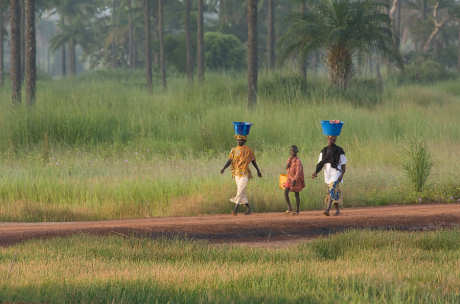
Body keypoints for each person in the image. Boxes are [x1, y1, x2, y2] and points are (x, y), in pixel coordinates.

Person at [221, 135, 262, 215]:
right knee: (241, 191)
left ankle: (235, 209)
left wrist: (258, 170)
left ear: (244, 141)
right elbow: (230, 160)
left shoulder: (248, 150)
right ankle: (249, 209)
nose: (239, 141)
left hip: (245, 173)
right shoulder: (233, 150)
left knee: (240, 191)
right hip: (236, 173)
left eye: (241, 140)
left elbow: (253, 161)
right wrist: (224, 168)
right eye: (238, 140)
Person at [312, 135, 347, 216]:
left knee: (332, 189)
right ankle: (337, 210)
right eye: (330, 138)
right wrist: (316, 172)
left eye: (334, 138)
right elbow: (320, 164)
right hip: (327, 174)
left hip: (336, 173)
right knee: (332, 192)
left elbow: (343, 165)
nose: (332, 140)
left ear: (335, 139)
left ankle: (327, 210)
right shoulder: (323, 151)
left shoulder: (339, 150)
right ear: (327, 139)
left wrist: (342, 174)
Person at [284, 145, 305, 215]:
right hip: (289, 178)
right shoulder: (289, 159)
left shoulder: (298, 161)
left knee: (296, 194)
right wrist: (288, 163)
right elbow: (286, 168)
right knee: (285, 192)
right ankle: (289, 207)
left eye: (293, 151)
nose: (291, 152)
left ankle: (297, 210)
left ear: (296, 152)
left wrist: (295, 180)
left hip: (296, 179)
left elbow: (298, 172)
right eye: (291, 151)